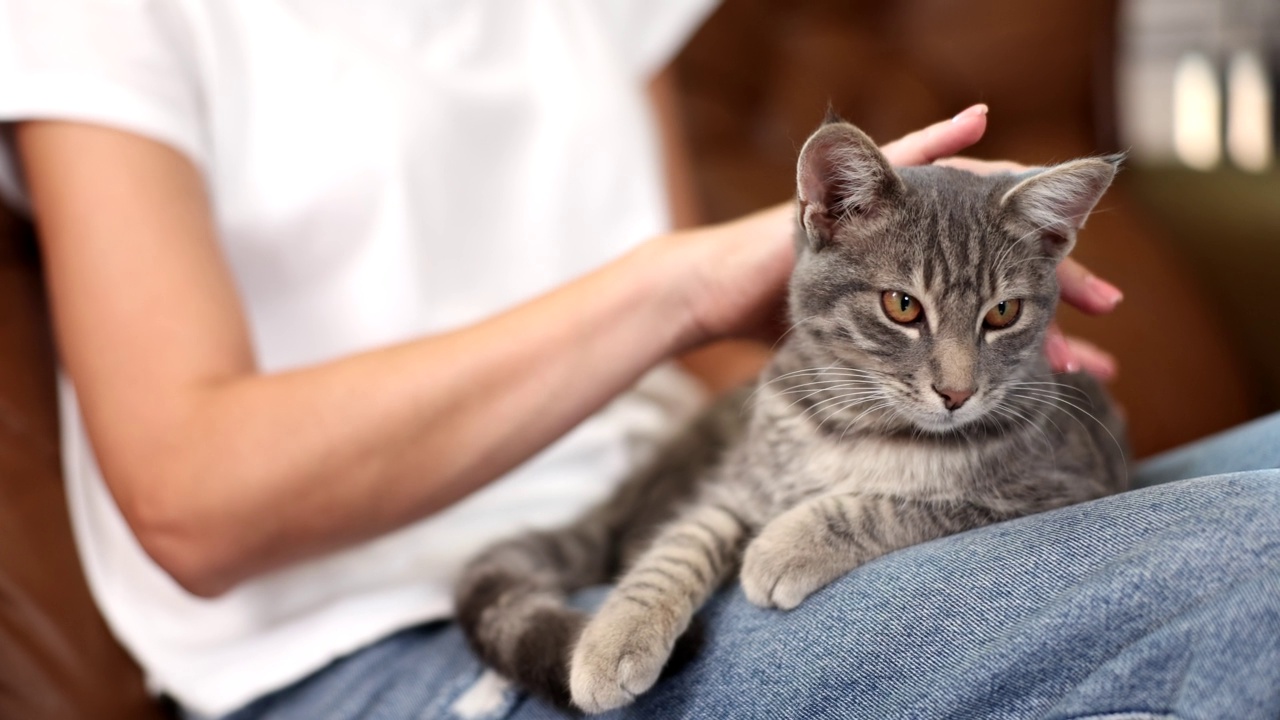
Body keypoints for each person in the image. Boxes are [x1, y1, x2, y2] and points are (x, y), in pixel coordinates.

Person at [2, 2, 1276, 719]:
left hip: (692, 526)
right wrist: (674, 289)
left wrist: (922, 424)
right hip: (409, 652)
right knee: (1252, 570)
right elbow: (189, 500)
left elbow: (709, 384)